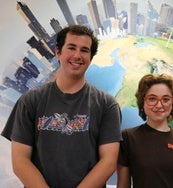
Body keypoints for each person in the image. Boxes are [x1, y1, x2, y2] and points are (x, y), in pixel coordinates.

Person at [1, 25, 122, 188]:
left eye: (85, 50)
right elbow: (20, 160)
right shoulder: (30, 101)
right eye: (71, 48)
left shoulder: (107, 104)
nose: (77, 55)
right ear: (58, 52)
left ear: (90, 57)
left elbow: (108, 162)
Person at [117, 73, 173, 188]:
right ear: (143, 101)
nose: (159, 105)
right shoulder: (128, 137)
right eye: (152, 99)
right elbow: (123, 185)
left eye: (165, 99)